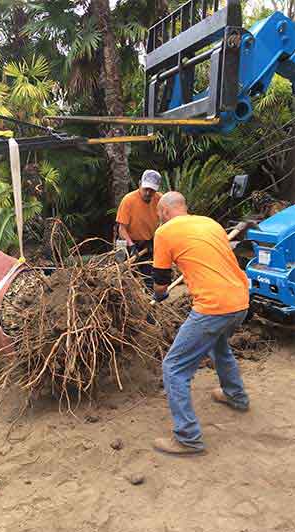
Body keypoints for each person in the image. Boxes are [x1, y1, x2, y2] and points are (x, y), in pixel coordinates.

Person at [151, 191, 250, 455]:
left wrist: (158, 295)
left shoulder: (164, 232)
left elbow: (161, 282)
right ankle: (235, 396)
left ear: (163, 212)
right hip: (240, 300)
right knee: (218, 345)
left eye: (159, 214)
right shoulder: (210, 223)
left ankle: (187, 438)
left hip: (213, 306)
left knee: (174, 367)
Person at [116, 170, 163, 287]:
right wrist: (131, 246)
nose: (148, 193)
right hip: (125, 241)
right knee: (122, 276)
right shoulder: (128, 200)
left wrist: (155, 239)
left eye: (151, 190)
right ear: (139, 184)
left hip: (147, 244)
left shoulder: (160, 200)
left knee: (149, 278)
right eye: (145, 189)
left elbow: (165, 222)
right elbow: (121, 229)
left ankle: (150, 301)